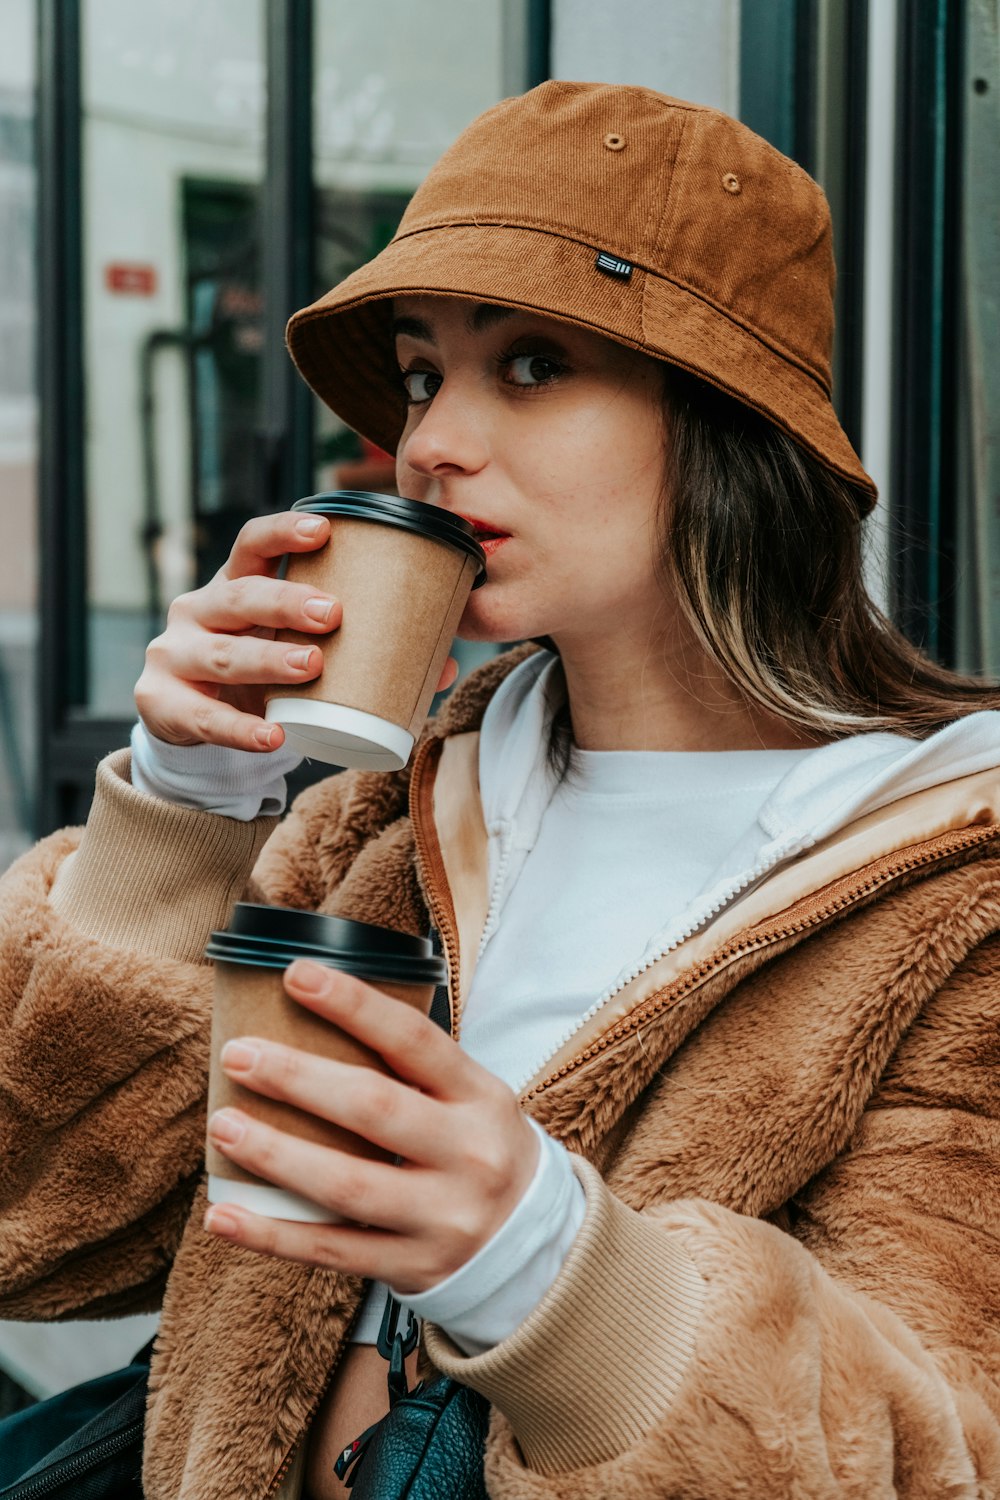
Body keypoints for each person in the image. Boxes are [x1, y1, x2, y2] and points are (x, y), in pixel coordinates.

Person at [2, 79, 999, 1500]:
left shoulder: (949, 896)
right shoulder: (384, 818)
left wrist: (548, 1272)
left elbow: (935, 1455)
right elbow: (40, 1228)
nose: (428, 446)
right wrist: (180, 811)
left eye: (529, 366)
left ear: (723, 424)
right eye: (422, 375)